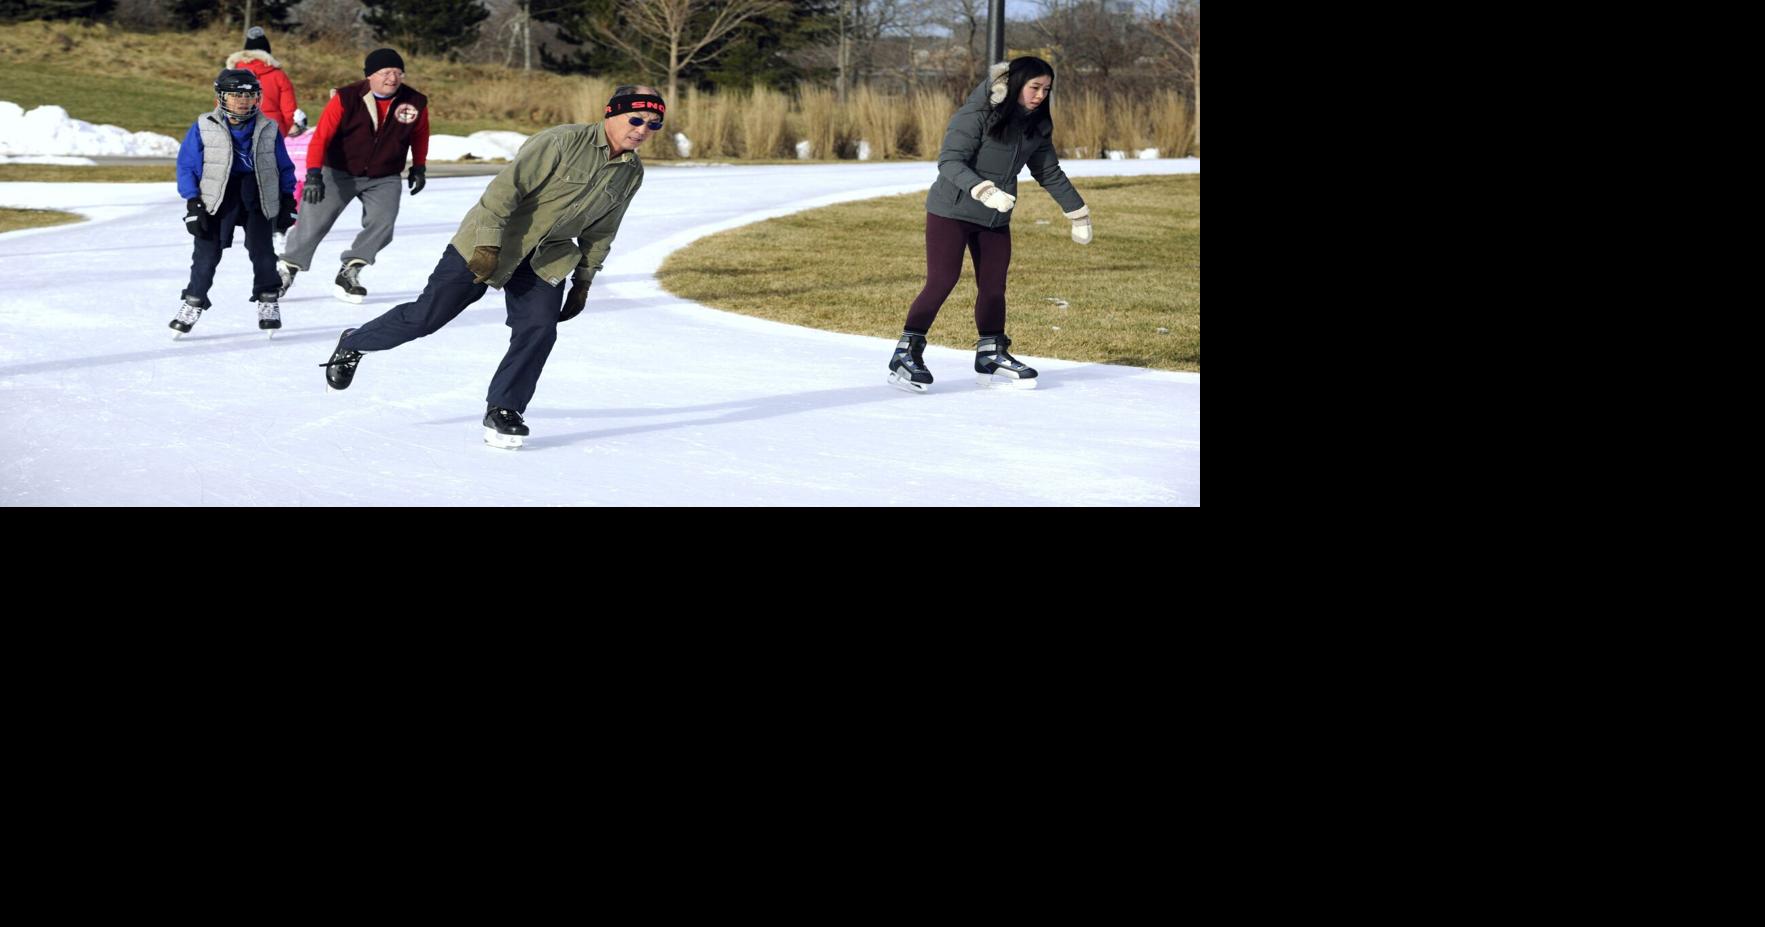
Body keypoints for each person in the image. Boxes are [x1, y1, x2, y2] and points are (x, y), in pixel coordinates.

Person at [319, 86, 659, 449]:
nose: (642, 129)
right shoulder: (561, 142)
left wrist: (584, 280)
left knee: (539, 329)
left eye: (653, 124)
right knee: (426, 317)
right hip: (491, 239)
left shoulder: (630, 173)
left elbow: (603, 230)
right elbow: (503, 192)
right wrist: (487, 244)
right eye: (635, 119)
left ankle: (504, 410)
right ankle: (354, 342)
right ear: (611, 112)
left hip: (547, 257)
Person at [888, 56, 1091, 393]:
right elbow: (949, 161)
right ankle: (905, 353)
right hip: (951, 211)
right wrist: (983, 190)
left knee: (994, 286)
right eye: (1034, 87)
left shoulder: (1036, 123)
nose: (1040, 95)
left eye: (1046, 90)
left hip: (995, 217)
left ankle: (991, 355)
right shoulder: (977, 113)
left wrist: (1077, 212)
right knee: (942, 280)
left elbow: (1047, 171)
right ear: (1015, 84)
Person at [276, 48, 429, 304]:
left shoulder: (414, 101)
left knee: (383, 223)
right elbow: (321, 137)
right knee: (313, 221)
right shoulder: (347, 98)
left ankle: (351, 270)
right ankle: (287, 269)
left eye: (397, 72)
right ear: (370, 75)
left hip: (384, 173)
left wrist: (419, 166)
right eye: (385, 73)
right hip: (339, 169)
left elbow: (420, 134)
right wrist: (313, 174)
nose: (392, 78)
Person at [170, 68, 297, 337]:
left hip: (256, 193)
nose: (242, 101)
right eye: (235, 95)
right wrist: (193, 203)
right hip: (218, 196)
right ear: (221, 97)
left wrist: (288, 200)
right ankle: (194, 300)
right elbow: (187, 165)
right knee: (206, 254)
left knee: (263, 252)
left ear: (257, 98)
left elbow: (284, 166)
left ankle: (267, 299)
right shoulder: (205, 125)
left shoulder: (269, 127)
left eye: (249, 95)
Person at [226, 26, 299, 136]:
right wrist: (284, 132)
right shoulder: (278, 75)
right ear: (267, 53)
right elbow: (289, 110)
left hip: (238, 130)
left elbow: (222, 106)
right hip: (272, 130)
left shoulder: (231, 74)